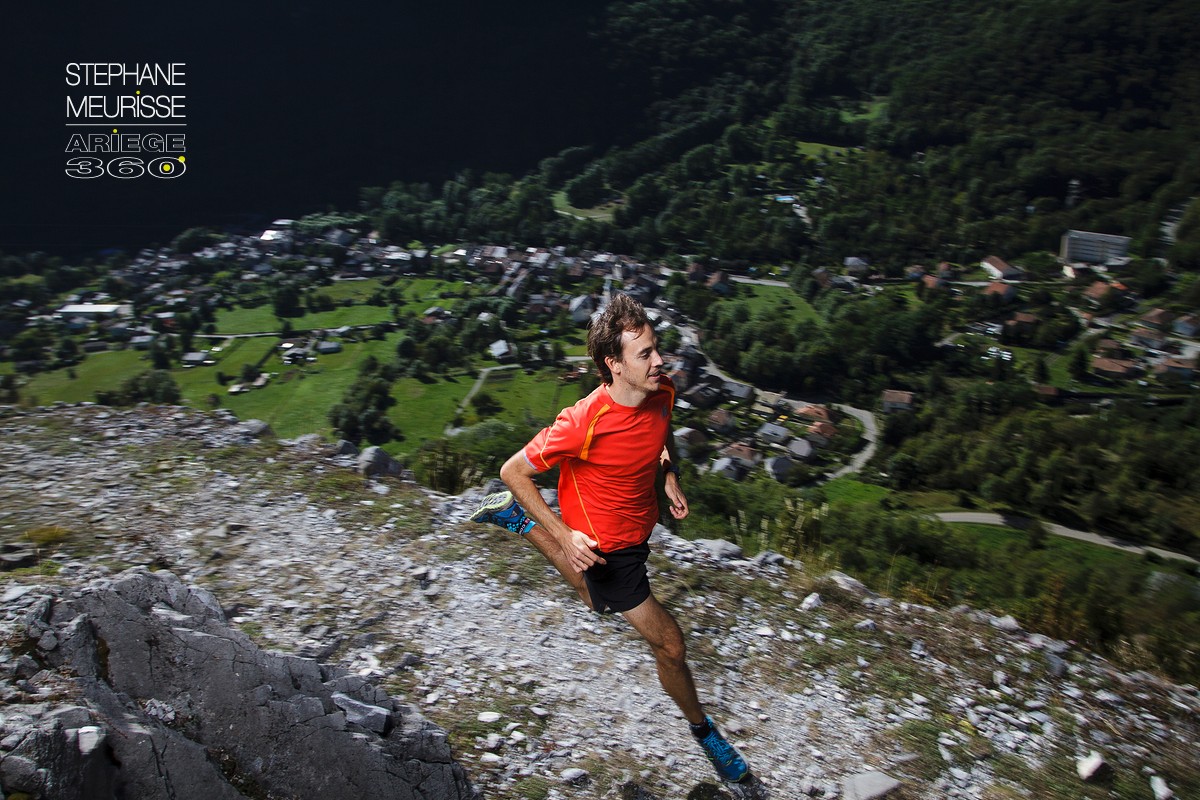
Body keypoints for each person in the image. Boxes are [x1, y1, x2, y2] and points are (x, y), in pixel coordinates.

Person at [470, 293, 750, 784]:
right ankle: (705, 732)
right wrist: (564, 534)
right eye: (645, 354)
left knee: (593, 598)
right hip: (607, 545)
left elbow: (661, 435)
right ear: (613, 364)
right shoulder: (583, 421)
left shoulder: (661, 390)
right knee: (671, 645)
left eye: (656, 348)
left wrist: (668, 474)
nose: (659, 361)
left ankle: (517, 521)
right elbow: (512, 470)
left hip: (638, 529)